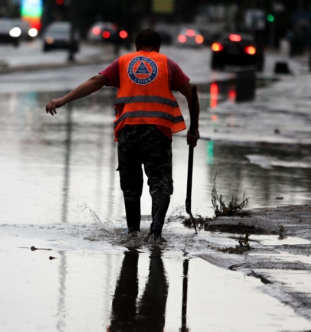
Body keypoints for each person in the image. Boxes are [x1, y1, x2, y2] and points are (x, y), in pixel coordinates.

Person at [45, 29, 200, 243]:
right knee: (160, 181)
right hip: (158, 131)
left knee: (130, 183)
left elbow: (95, 82)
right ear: (158, 47)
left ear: (136, 47)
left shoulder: (124, 62)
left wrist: (64, 99)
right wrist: (194, 129)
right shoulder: (167, 64)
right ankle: (156, 232)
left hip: (128, 130)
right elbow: (191, 93)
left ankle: (133, 232)